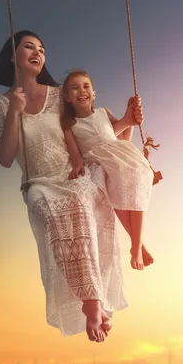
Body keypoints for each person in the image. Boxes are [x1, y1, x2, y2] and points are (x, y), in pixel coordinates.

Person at [0, 30, 133, 342]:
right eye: (29, 47)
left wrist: (127, 122)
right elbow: (5, 157)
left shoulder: (57, 96)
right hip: (38, 183)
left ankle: (93, 304)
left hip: (72, 174)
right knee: (49, 208)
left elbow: (90, 129)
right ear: (14, 56)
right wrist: (14, 112)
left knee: (81, 202)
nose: (38, 53)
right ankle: (90, 300)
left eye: (42, 49)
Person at [60, 70, 154, 271]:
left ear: (94, 93)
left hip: (120, 158)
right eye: (75, 87)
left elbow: (122, 139)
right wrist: (77, 167)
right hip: (98, 163)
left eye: (86, 86)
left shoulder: (103, 112)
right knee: (114, 189)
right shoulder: (70, 125)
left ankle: (137, 244)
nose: (82, 91)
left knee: (137, 178)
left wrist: (130, 115)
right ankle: (138, 244)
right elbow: (76, 155)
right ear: (67, 98)